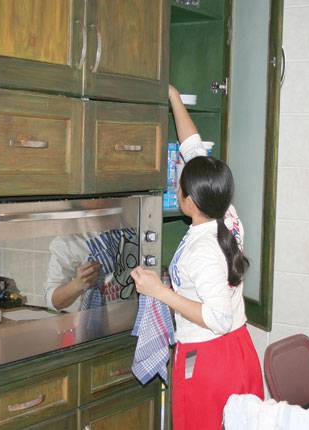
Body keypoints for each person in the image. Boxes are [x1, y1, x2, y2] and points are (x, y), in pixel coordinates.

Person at [131, 85, 264, 429]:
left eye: (178, 186)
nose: (175, 187)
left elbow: (217, 318)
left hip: (208, 358)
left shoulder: (201, 250)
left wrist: (160, 292)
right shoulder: (227, 215)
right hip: (238, 349)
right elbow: (193, 148)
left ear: (190, 202)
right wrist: (173, 96)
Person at [45, 227, 138, 314]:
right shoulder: (66, 242)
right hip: (99, 320)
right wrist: (77, 285)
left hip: (139, 315)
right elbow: (53, 302)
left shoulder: (129, 219)